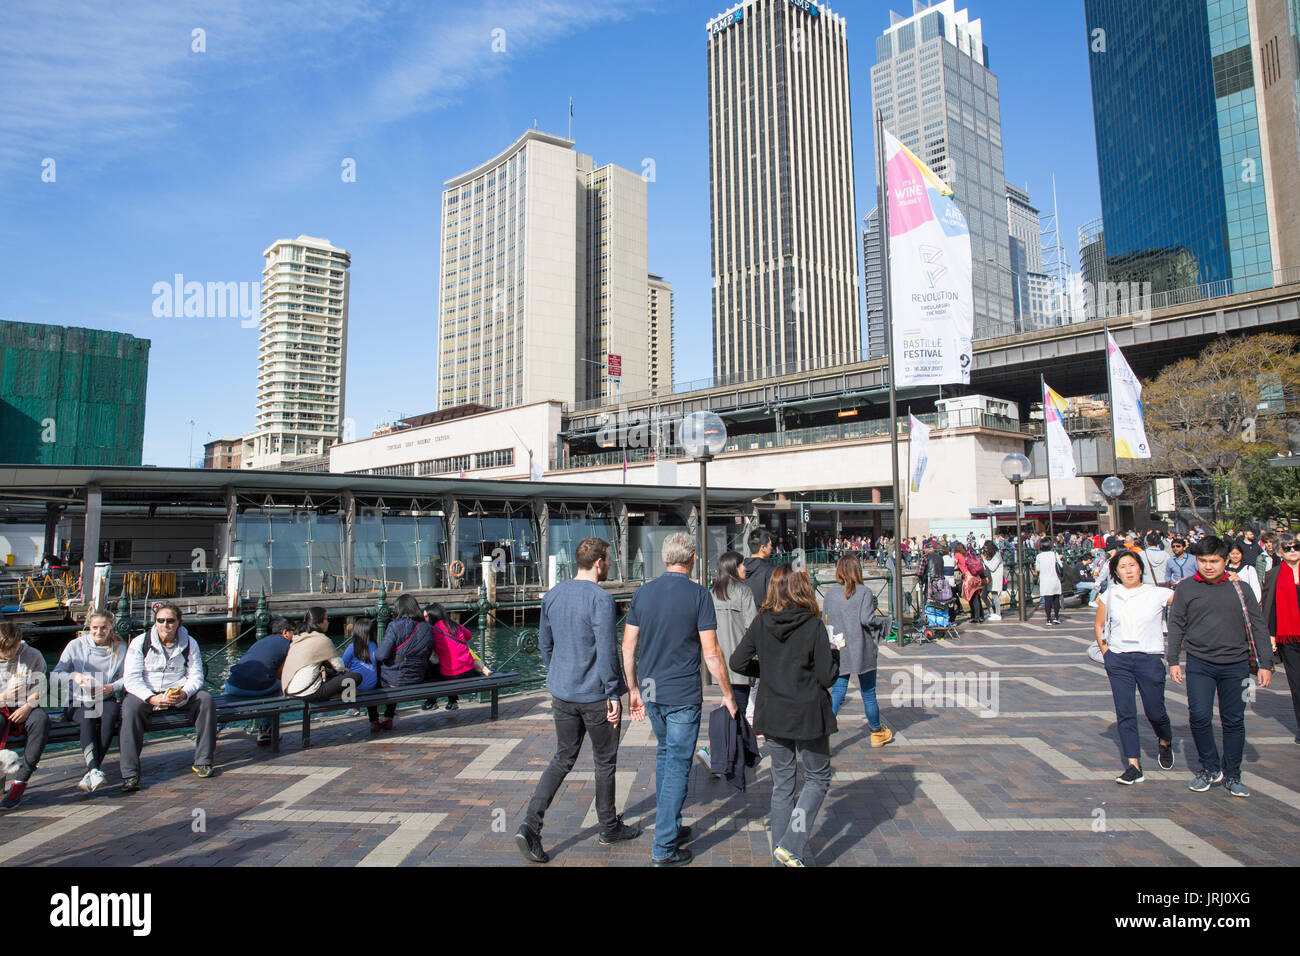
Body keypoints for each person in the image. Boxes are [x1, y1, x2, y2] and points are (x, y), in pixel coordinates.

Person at [516, 537, 637, 863]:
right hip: (595, 694)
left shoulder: (553, 595)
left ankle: (531, 824)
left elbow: (545, 644)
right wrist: (614, 692)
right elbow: (606, 650)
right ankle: (608, 826)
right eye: (608, 559)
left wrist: (558, 672)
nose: (610, 564)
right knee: (604, 761)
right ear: (599, 562)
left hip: (562, 691)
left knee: (563, 758)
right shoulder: (601, 599)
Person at [623, 532, 736, 867]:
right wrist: (728, 694)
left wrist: (632, 690)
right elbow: (712, 653)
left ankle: (669, 824)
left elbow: (628, 647)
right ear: (692, 560)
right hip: (682, 693)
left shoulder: (643, 593)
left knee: (664, 754)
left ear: (665, 559)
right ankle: (664, 847)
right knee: (677, 764)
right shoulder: (699, 595)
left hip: (652, 690)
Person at [729, 565, 839, 867]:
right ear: (801, 590)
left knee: (783, 785)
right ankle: (791, 845)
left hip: (774, 711)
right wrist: (835, 654)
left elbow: (737, 661)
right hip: (807, 713)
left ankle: (782, 857)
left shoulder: (762, 623)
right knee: (817, 778)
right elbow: (826, 677)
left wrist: (767, 671)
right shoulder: (813, 625)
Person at [1168, 536, 1273, 797]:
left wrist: (1265, 664)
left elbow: (1258, 626)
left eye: (1214, 561)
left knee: (1234, 720)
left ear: (1226, 561)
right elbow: (1176, 625)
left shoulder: (1241, 589)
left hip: (1236, 666)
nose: (1208, 566)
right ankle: (1209, 768)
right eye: (1203, 561)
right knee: (1199, 716)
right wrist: (1172, 661)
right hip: (1199, 664)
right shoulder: (1186, 588)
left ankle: (1233, 774)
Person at [1095, 550, 1176, 785]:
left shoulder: (1157, 593)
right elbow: (1099, 625)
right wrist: (1106, 653)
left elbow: (1191, 596)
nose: (1128, 570)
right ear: (1116, 572)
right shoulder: (1110, 594)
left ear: (1140, 568)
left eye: (1132, 565)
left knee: (1155, 711)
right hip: (1119, 660)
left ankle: (1165, 740)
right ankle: (1133, 766)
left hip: (1149, 659)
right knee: (1125, 712)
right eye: (1122, 567)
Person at [120, 603, 216, 791]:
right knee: (130, 708)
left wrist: (184, 693)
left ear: (178, 623)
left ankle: (204, 761)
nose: (165, 625)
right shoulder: (140, 642)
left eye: (170, 621)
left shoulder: (190, 643)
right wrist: (150, 698)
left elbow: (196, 676)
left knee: (205, 700)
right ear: (155, 623)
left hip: (178, 691)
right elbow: (131, 679)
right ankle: (130, 774)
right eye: (160, 621)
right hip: (147, 692)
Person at [51, 611, 126, 793]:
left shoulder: (120, 647)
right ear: (88, 627)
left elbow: (128, 677)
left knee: (110, 716)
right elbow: (54, 676)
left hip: (103, 696)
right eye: (94, 628)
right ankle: (94, 769)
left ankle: (93, 770)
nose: (99, 632)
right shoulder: (75, 645)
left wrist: (111, 687)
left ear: (111, 627)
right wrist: (74, 676)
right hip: (76, 700)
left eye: (103, 628)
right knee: (88, 718)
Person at [823, 555, 891, 746]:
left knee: (837, 692)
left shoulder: (829, 594)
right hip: (861, 646)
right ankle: (876, 732)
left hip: (838, 646)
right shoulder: (864, 592)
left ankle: (824, 737)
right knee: (868, 693)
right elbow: (867, 619)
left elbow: (824, 621)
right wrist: (884, 622)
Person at [224, 616, 295, 744]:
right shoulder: (288, 645)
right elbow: (282, 674)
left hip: (232, 685)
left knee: (227, 700)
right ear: (285, 632)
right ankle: (265, 730)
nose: (295, 636)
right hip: (256, 688)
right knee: (281, 686)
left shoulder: (262, 641)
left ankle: (215, 728)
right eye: (293, 632)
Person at [0, 621, 48, 809]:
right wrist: (4, 695)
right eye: (5, 650)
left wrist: (28, 707)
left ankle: (20, 781)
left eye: (13, 647)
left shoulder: (33, 655)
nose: (10, 653)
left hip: (26, 706)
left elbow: (42, 688)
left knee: (41, 720)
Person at [373, 593, 436, 731]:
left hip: (395, 680)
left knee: (374, 678)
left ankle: (376, 720)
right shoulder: (427, 627)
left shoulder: (395, 626)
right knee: (395, 670)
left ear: (399, 609)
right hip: (417, 677)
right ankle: (388, 717)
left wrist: (374, 653)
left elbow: (381, 654)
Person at [1260, 531, 1300, 745]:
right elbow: (1269, 607)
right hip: (1289, 638)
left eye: (1296, 547)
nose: (1293, 551)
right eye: (1288, 548)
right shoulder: (1273, 574)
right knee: (1297, 684)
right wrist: (1271, 635)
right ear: (1279, 552)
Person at [710, 550, 757, 721]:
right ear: (733, 567)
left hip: (717, 661)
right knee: (739, 710)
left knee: (730, 709)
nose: (745, 568)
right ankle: (735, 746)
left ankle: (728, 743)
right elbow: (752, 628)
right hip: (740, 661)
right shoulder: (744, 591)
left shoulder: (712, 593)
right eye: (742, 564)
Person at [425, 603, 492, 711]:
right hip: (469, 670)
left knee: (432, 669)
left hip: (453, 675)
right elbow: (469, 636)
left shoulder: (433, 630)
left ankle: (431, 701)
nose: (425, 619)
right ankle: (452, 701)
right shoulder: (454, 625)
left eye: (426, 617)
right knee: (449, 664)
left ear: (433, 616)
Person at [282, 615, 360, 702]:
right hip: (308, 692)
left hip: (290, 690)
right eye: (326, 619)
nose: (328, 622)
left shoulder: (296, 642)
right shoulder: (322, 640)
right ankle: (339, 698)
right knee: (356, 677)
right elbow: (339, 666)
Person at [342, 617, 381, 720]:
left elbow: (342, 664)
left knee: (347, 673)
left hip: (356, 687)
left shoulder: (352, 646)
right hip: (372, 684)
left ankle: (354, 707)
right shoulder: (375, 646)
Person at [743, 530, 775, 611]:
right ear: (763, 548)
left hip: (743, 617)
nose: (771, 547)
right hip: (763, 616)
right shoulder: (770, 570)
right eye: (770, 545)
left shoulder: (740, 569)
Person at [1034, 539, 1063, 625]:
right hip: (1055, 579)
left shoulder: (1039, 556)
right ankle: (1057, 617)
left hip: (1045, 579)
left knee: (1047, 600)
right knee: (1056, 598)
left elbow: (1037, 569)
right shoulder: (1054, 554)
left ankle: (1049, 619)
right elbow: (1060, 565)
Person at [982, 541, 1004, 620]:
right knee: (983, 595)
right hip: (989, 578)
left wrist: (985, 560)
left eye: (986, 548)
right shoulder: (991, 555)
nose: (986, 550)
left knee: (995, 596)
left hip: (995, 579)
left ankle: (998, 614)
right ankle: (991, 611)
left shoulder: (997, 556)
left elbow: (992, 567)